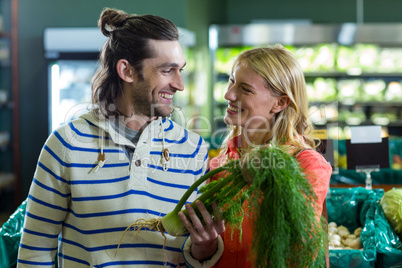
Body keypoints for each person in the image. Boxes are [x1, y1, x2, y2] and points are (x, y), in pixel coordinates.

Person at [17, 8, 224, 268]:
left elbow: (194, 255)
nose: (180, 84)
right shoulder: (66, 144)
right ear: (126, 71)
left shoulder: (194, 149)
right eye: (167, 70)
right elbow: (35, 249)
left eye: (180, 69)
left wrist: (204, 246)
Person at [209, 45, 332, 267]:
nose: (228, 94)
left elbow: (301, 250)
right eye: (231, 81)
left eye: (245, 89)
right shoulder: (220, 162)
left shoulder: (307, 164)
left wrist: (265, 185)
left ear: (280, 103)